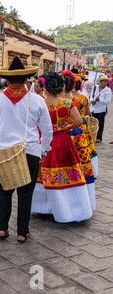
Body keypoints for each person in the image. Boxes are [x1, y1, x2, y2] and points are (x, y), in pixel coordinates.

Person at [0, 57, 53, 243]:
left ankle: (2, 228)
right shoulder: (37, 101)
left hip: (5, 152)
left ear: (7, 80)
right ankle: (22, 231)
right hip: (29, 150)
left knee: (4, 191)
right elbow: (47, 130)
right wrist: (44, 149)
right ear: (26, 79)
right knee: (25, 192)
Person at [32, 72, 92, 224]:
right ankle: (69, 209)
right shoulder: (66, 103)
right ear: (61, 87)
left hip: (44, 141)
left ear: (45, 87)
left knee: (42, 174)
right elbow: (79, 121)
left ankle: (44, 208)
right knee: (67, 171)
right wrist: (66, 127)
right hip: (63, 141)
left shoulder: (40, 103)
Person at [67, 72, 97, 207]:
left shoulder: (59, 99)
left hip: (65, 132)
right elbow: (87, 113)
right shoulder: (82, 98)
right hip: (80, 131)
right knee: (82, 159)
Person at [90, 75, 112, 143]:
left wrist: (100, 99)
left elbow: (108, 101)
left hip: (101, 110)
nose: (106, 83)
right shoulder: (94, 88)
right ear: (100, 82)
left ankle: (99, 137)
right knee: (92, 124)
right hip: (93, 108)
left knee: (100, 124)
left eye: (106, 81)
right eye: (104, 81)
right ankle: (92, 136)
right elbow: (91, 96)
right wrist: (92, 100)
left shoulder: (108, 90)